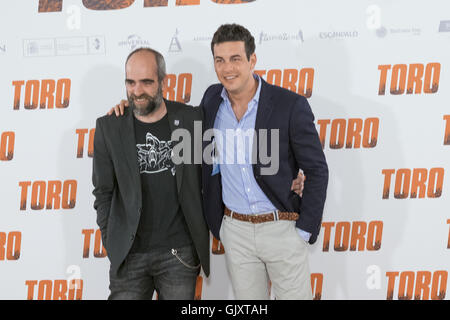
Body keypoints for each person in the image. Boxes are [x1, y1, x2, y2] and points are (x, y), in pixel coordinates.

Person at [199, 24, 328, 300]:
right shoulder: (211, 100)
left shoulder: (289, 105)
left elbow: (317, 169)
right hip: (235, 231)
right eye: (219, 60)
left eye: (235, 58)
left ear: (252, 60)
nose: (227, 68)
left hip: (282, 227)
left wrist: (304, 231)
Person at [92, 48, 210, 300]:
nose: (137, 91)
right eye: (131, 82)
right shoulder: (109, 126)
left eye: (146, 82)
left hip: (179, 255)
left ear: (163, 82)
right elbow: (103, 192)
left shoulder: (190, 119)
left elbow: (217, 169)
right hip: (128, 255)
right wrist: (111, 240)